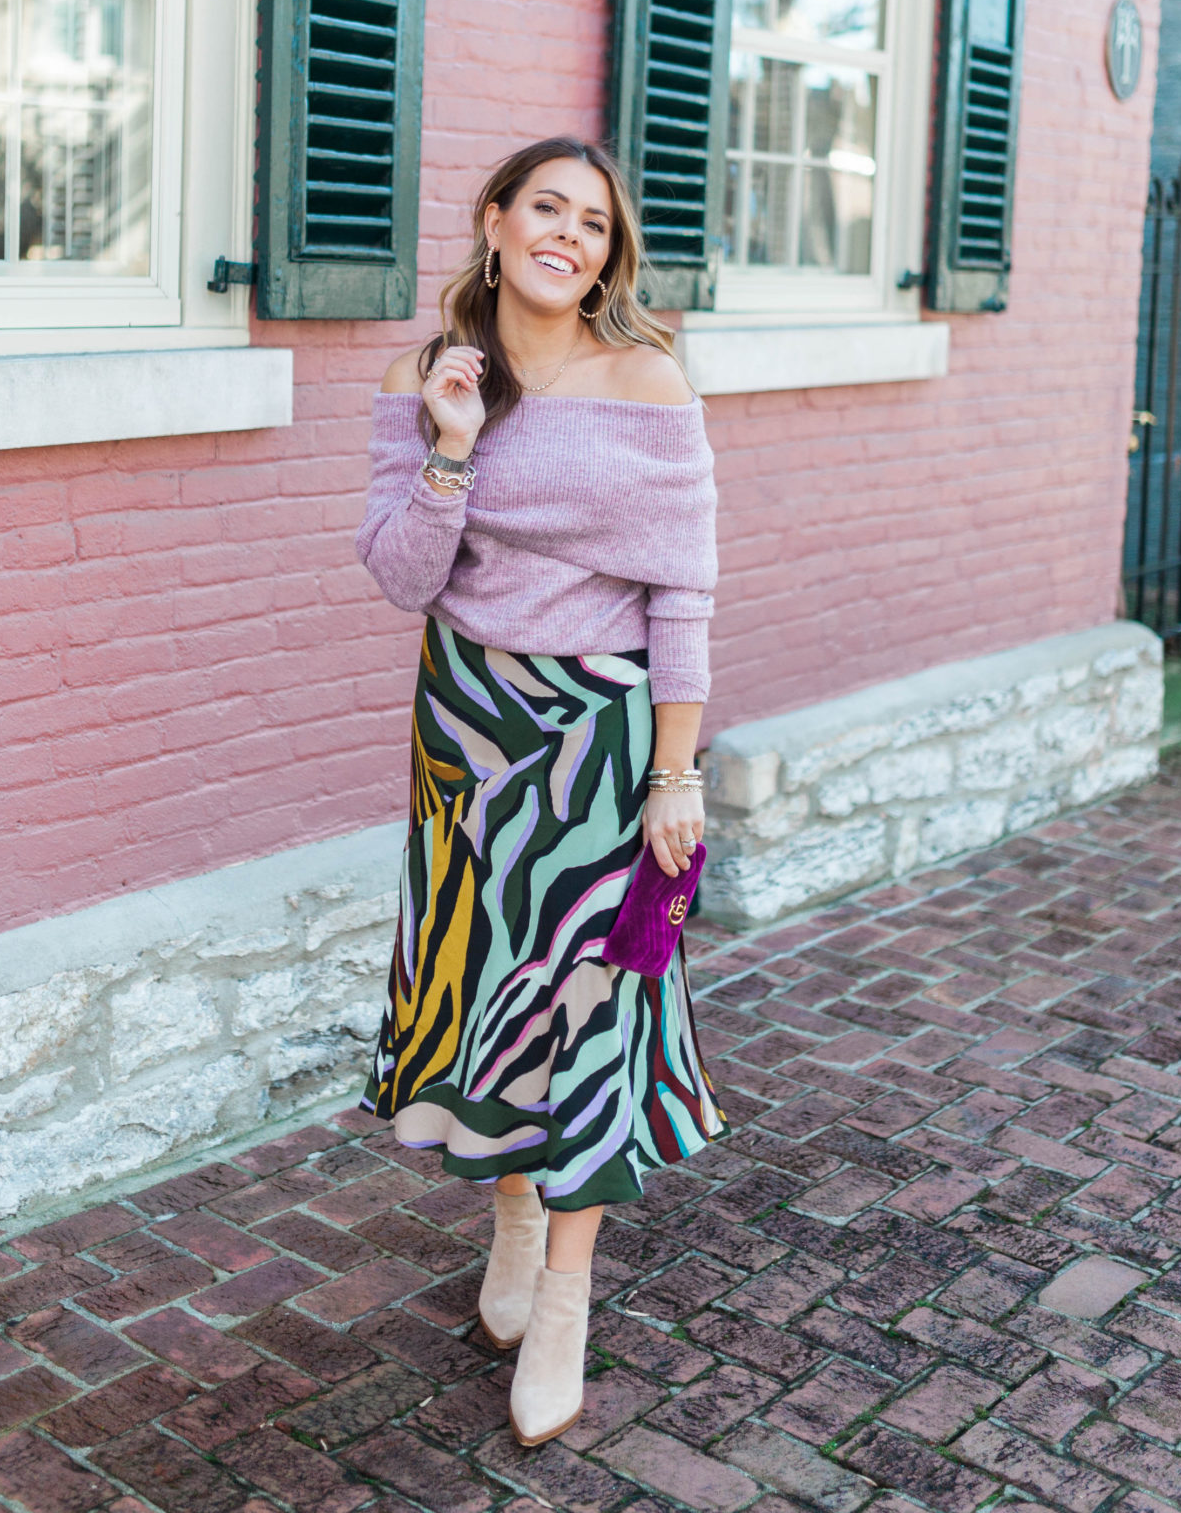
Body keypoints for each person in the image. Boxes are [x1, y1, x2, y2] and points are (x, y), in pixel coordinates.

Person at [355, 135, 725, 1446]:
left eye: (595, 222)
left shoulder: (648, 377)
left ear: (609, 254)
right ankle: (513, 1210)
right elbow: (403, 577)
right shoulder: (429, 375)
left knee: (588, 1004)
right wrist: (452, 442)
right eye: (547, 209)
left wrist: (675, 772)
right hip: (464, 732)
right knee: (483, 991)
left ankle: (564, 1292)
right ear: (499, 223)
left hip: (601, 744)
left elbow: (683, 590)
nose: (569, 235)